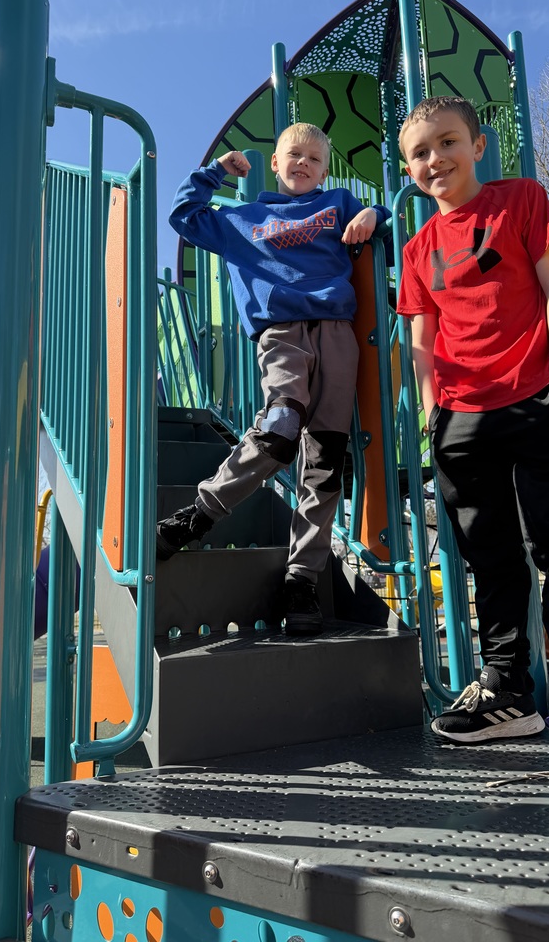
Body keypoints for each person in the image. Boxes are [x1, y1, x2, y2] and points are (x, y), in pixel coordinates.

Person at [396, 95, 549, 781]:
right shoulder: (417, 249)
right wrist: (430, 414)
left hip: (533, 398)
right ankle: (509, 693)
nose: (435, 159)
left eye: (447, 142)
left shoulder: (521, 202)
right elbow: (421, 336)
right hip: (460, 417)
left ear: (477, 144)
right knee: (490, 559)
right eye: (420, 152)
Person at [157, 123, 391, 635]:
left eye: (313, 157)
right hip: (281, 331)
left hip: (337, 333)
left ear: (325, 169)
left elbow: (390, 227)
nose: (303, 163)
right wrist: (216, 172)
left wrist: (377, 212)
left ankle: (301, 577)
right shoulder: (246, 216)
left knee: (326, 458)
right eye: (294, 155)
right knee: (282, 426)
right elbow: (183, 216)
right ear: (277, 160)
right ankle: (199, 513)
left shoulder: (339, 204)